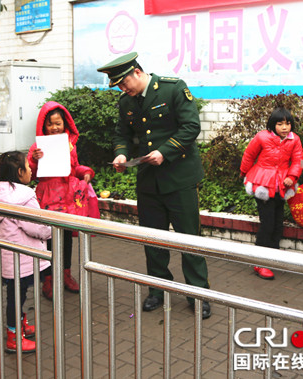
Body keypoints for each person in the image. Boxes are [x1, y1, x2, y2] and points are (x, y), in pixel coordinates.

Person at [97, 52, 211, 319]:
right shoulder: (127, 101)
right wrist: (122, 153)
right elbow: (122, 133)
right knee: (153, 240)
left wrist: (165, 152)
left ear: (137, 72)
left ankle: (199, 294)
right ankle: (157, 290)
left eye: (124, 83)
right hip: (149, 181)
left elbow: (191, 126)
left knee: (188, 239)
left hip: (180, 178)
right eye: (119, 87)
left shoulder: (173, 88)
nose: (123, 90)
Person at [27, 101, 96, 299]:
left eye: (59, 123)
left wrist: (85, 172)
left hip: (67, 197)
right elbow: (29, 173)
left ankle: (65, 274)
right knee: (48, 239)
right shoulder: (37, 148)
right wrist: (34, 159)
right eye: (51, 124)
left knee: (66, 237)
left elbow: (74, 167)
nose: (55, 127)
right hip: (48, 197)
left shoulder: (69, 144)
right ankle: (48, 279)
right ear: (43, 125)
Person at [0, 151, 51, 353]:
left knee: (17, 295)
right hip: (24, 258)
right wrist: (50, 231)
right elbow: (37, 226)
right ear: (19, 171)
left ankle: (19, 328)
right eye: (28, 165)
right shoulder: (23, 197)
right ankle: (13, 338)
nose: (31, 168)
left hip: (10, 258)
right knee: (16, 298)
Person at [240, 107, 303, 280]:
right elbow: (248, 155)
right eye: (280, 123)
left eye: (288, 123)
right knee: (267, 224)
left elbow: (297, 160)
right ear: (272, 124)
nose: (285, 127)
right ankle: (259, 263)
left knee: (277, 224)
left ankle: (273, 258)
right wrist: (244, 173)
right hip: (263, 183)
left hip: (282, 185)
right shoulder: (262, 137)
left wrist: (292, 176)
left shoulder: (294, 140)